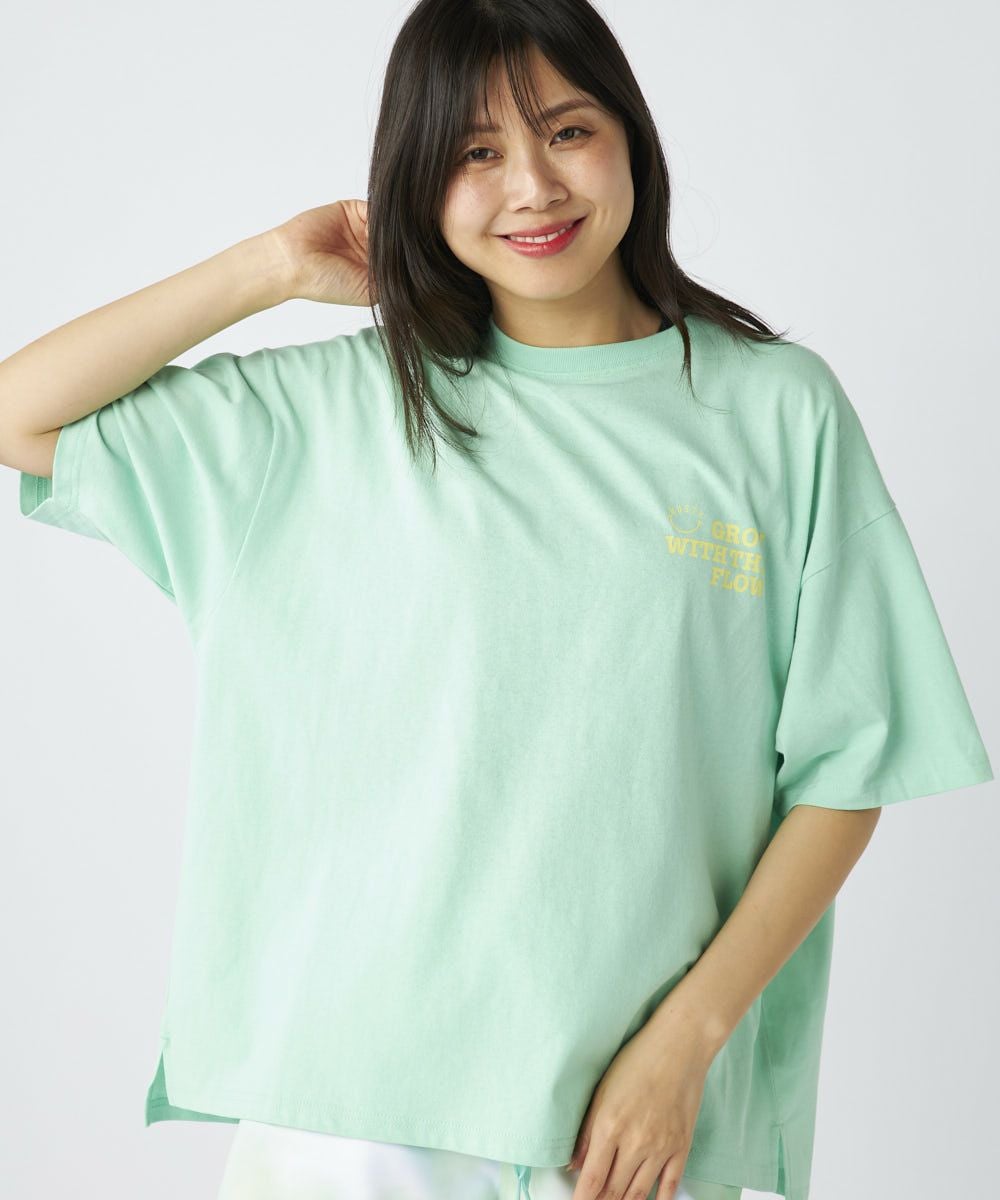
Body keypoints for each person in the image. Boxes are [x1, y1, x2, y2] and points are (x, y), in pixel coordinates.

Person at [2, 1, 992, 1198]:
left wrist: (684, 1042)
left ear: (630, 139)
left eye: (567, 130)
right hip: (351, 1117)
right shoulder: (331, 412)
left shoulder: (774, 413)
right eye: (475, 151)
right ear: (417, 180)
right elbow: (20, 415)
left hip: (623, 1130)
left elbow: (847, 767)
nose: (532, 186)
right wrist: (271, 267)